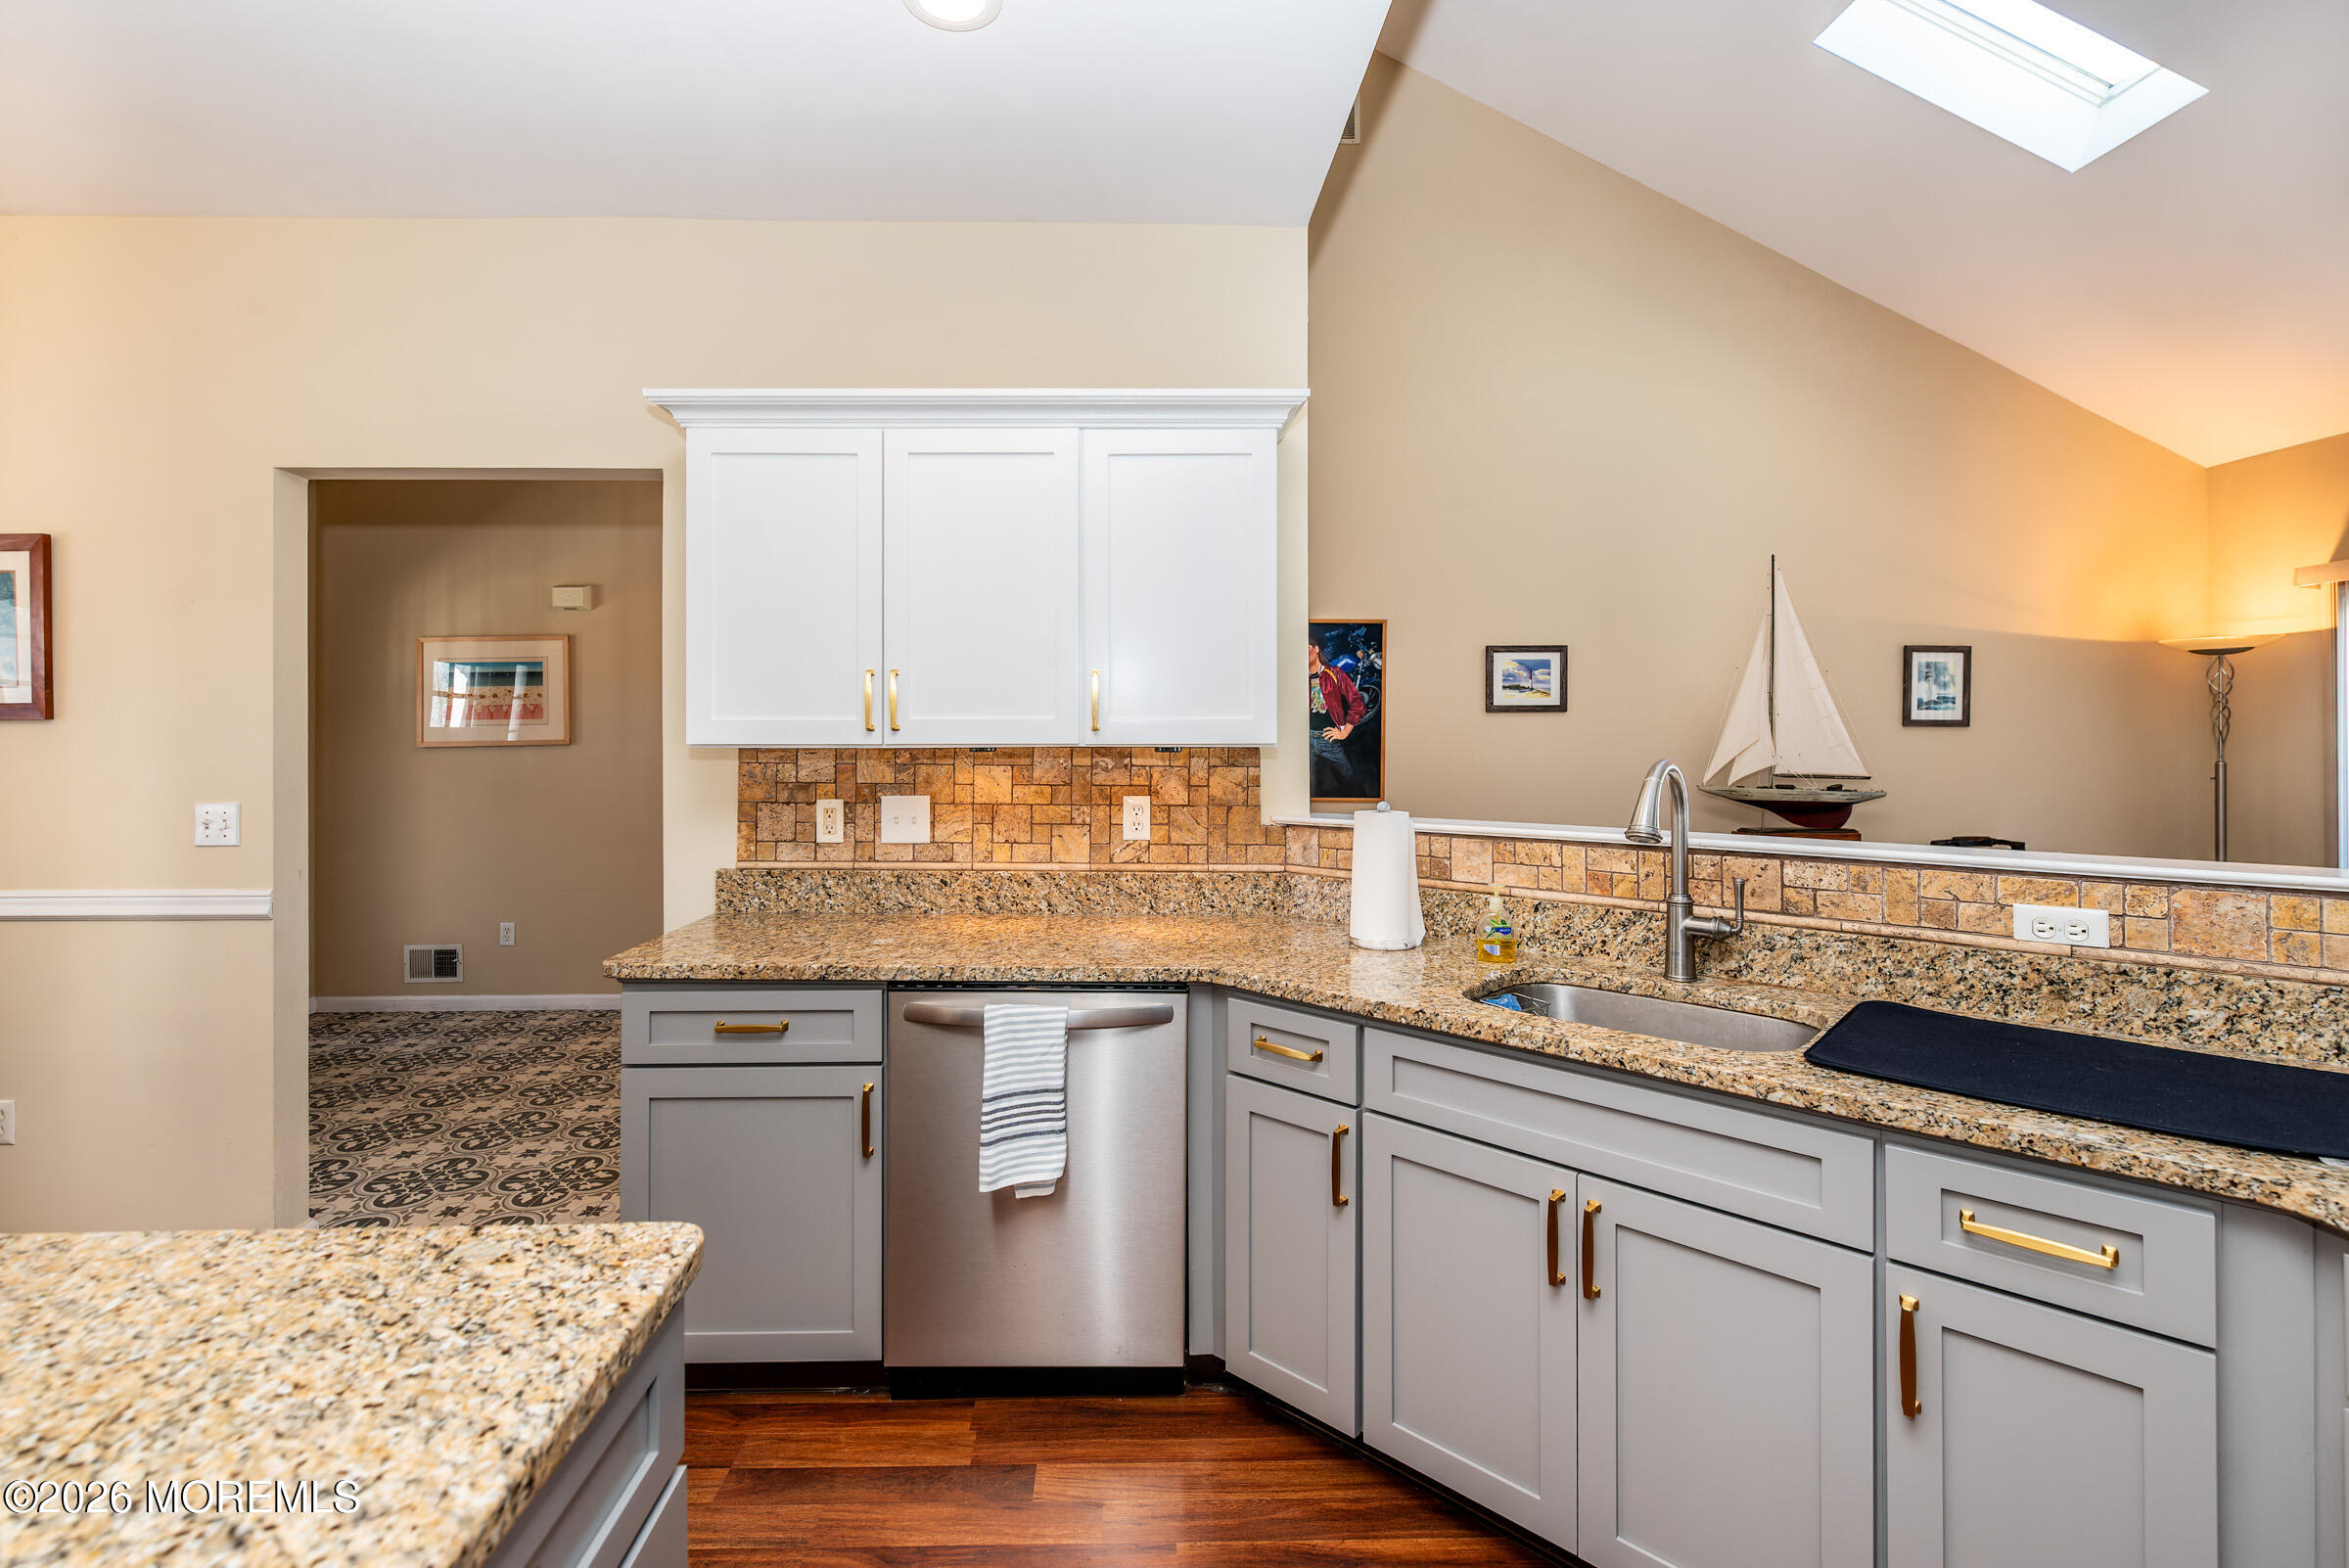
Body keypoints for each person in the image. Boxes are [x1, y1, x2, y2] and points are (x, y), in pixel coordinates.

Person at [1309, 639, 1369, 798]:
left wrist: (1345, 732)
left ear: (1316, 649)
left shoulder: (1334, 673)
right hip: (1306, 742)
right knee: (1308, 791)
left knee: (1352, 785)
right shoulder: (1298, 678)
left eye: (1307, 648)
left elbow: (1357, 703)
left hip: (1328, 740)